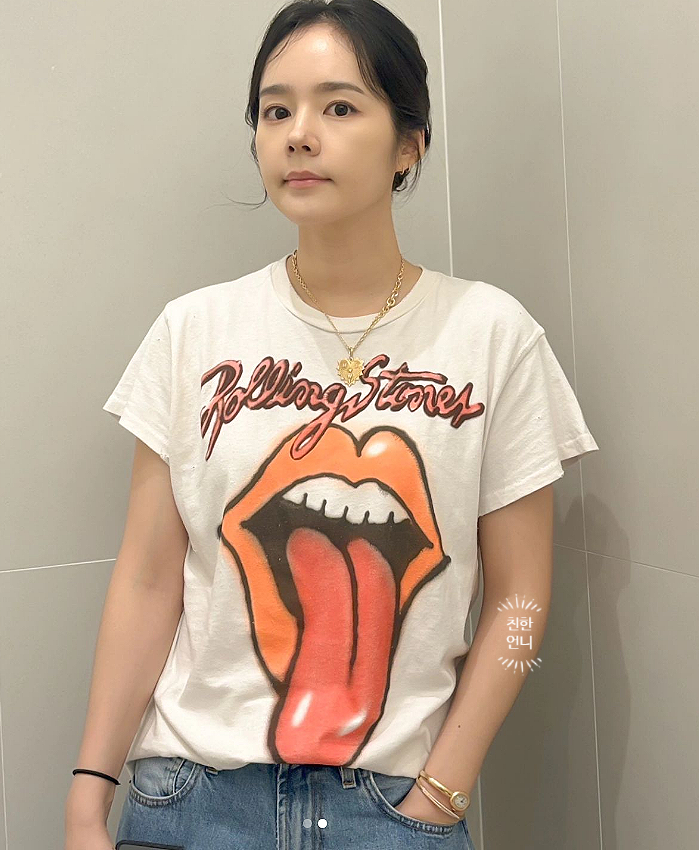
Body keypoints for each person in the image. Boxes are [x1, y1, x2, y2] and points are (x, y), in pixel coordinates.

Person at [64, 2, 600, 849]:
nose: (299, 136)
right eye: (275, 111)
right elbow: (146, 581)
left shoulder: (493, 336)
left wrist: (441, 792)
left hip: (392, 812)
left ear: (409, 143)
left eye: (339, 106)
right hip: (191, 804)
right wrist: (88, 797)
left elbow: (521, 598)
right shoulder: (192, 331)